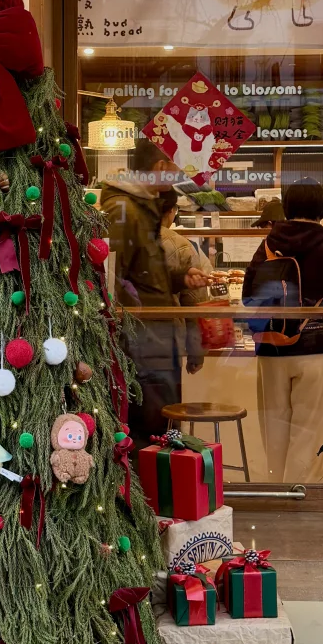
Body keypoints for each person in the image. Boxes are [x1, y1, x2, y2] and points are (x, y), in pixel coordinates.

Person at [101, 140, 206, 445]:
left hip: (153, 340)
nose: (181, 174)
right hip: (143, 343)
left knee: (162, 425)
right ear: (161, 167)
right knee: (152, 431)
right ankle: (151, 492)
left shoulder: (140, 207)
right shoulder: (125, 209)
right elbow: (111, 278)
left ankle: (161, 489)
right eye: (178, 167)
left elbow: (141, 276)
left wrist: (179, 278)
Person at [242, 179, 323, 484]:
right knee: (309, 429)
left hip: (271, 345)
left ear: (288, 207)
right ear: (322, 207)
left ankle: (275, 489)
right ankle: (300, 494)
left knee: (274, 425)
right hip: (317, 348)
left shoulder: (268, 242)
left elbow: (247, 296)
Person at [158, 189, 212, 378]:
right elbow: (194, 305)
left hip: (128, 338)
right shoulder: (182, 245)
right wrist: (196, 353)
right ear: (172, 211)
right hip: (169, 341)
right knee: (166, 403)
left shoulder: (129, 240)